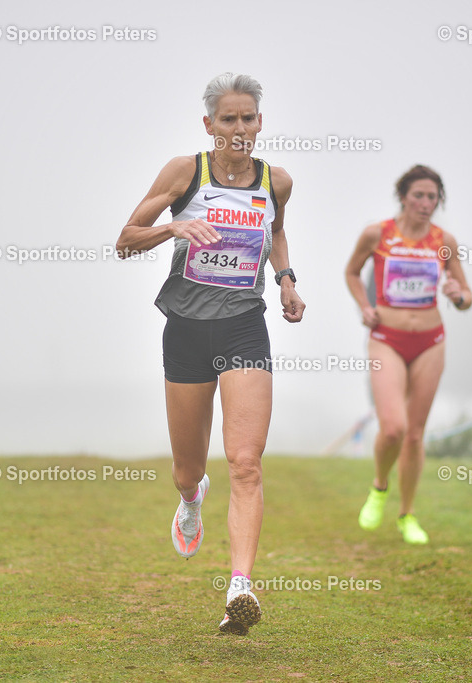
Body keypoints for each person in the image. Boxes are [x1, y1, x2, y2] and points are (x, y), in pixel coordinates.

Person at [115, 73, 304, 635]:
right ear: (210, 125)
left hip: (245, 327)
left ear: (260, 122)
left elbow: (279, 234)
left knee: (245, 462)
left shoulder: (277, 181)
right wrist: (176, 226)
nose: (240, 129)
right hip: (188, 330)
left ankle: (240, 586)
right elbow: (125, 238)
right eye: (228, 120)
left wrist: (287, 280)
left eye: (248, 119)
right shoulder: (185, 172)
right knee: (187, 467)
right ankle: (191, 497)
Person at [345, 165, 472, 544]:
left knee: (415, 435)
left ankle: (407, 515)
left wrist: (458, 297)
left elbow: (466, 294)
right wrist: (363, 306)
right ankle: (379, 486)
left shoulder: (443, 240)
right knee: (394, 427)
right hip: (387, 338)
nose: (425, 203)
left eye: (433, 197)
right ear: (403, 196)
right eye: (418, 195)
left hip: (430, 341)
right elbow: (351, 273)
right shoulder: (377, 234)